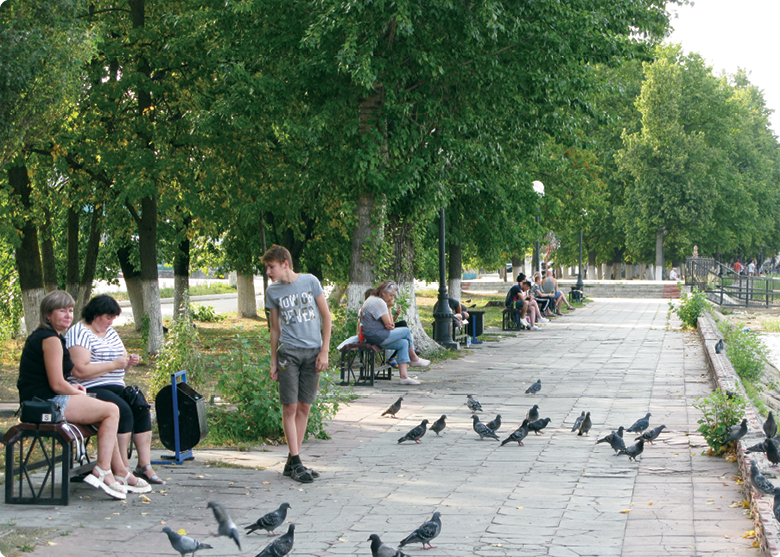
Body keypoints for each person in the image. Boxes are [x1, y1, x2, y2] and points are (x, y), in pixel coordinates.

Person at [17, 291, 126, 500]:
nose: (68, 315)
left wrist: (74, 389)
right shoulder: (50, 339)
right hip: (45, 403)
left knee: (105, 411)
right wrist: (74, 390)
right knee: (111, 410)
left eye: (70, 310)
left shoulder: (53, 336)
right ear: (48, 315)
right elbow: (57, 384)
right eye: (62, 310)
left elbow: (58, 381)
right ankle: (104, 470)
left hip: (47, 399)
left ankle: (114, 470)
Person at [66, 295, 159, 488]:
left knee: (140, 406)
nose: (110, 322)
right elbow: (80, 370)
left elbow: (119, 366)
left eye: (113, 318)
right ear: (95, 314)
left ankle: (144, 464)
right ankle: (122, 468)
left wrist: (127, 364)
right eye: (108, 317)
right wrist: (112, 364)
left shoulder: (111, 333)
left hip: (116, 383)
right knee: (122, 410)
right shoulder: (80, 333)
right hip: (90, 387)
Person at [263, 244, 332, 484]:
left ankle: (294, 461)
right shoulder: (272, 292)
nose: (268, 272)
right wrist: (273, 361)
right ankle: (296, 460)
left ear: (285, 263)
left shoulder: (310, 282)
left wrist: (324, 350)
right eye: (266, 268)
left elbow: (326, 316)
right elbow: (274, 329)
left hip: (313, 353)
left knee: (305, 406)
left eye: (271, 267)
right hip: (289, 353)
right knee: (290, 407)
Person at [359, 281, 430, 386]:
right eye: (391, 295)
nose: (392, 298)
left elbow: (390, 325)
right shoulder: (379, 302)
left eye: (393, 296)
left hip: (372, 335)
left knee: (403, 343)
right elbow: (390, 324)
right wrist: (389, 306)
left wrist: (389, 323)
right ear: (383, 292)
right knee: (405, 331)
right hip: (377, 336)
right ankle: (414, 358)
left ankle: (404, 377)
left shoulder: (372, 299)